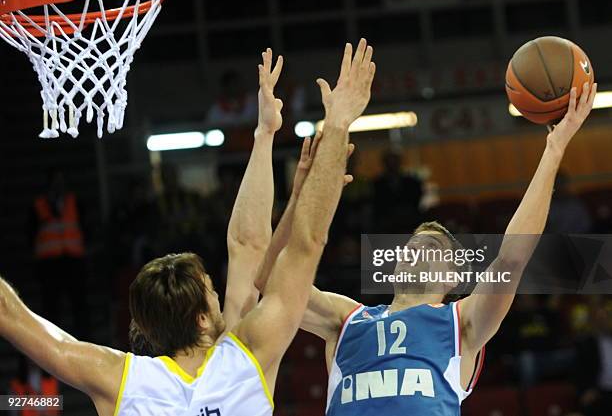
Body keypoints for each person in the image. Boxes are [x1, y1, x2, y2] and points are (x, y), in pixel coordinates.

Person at [0, 39, 376, 416]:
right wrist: (335, 124)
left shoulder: (119, 379)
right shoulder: (247, 360)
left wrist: (264, 138)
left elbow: (11, 315)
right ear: (200, 319)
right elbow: (291, 245)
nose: (220, 295)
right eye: (212, 290)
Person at [256, 82, 598, 415]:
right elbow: (269, 280)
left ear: (453, 279)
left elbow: (513, 255)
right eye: (412, 245)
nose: (418, 248)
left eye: (433, 246)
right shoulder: (345, 318)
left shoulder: (461, 321)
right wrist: (300, 195)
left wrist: (554, 150)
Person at [27, 169, 89, 339]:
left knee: (79, 307)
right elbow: (30, 235)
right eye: (55, 181)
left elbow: (85, 229)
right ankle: (52, 344)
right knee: (51, 309)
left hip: (73, 262)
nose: (58, 185)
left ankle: (84, 342)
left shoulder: (74, 202)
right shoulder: (38, 206)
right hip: (49, 265)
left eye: (61, 181)